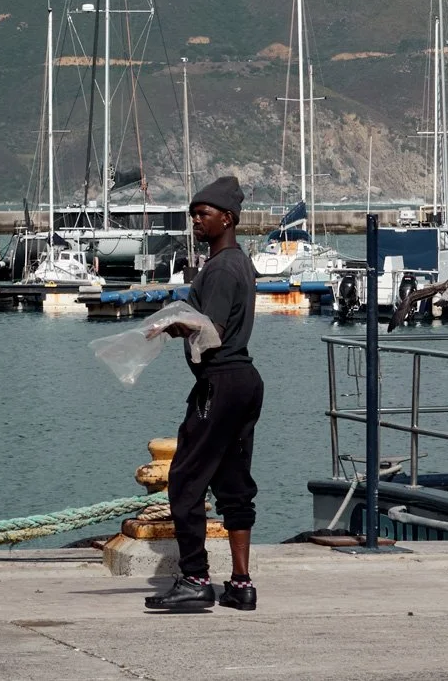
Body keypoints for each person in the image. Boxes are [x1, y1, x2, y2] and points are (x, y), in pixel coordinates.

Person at [145, 175, 265, 613]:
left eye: (204, 214)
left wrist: (174, 325)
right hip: (245, 382)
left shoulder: (218, 268)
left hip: (220, 381)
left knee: (185, 479)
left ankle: (195, 578)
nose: (196, 220)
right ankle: (241, 583)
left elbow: (209, 330)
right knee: (234, 482)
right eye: (193, 214)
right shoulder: (241, 263)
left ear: (227, 218)